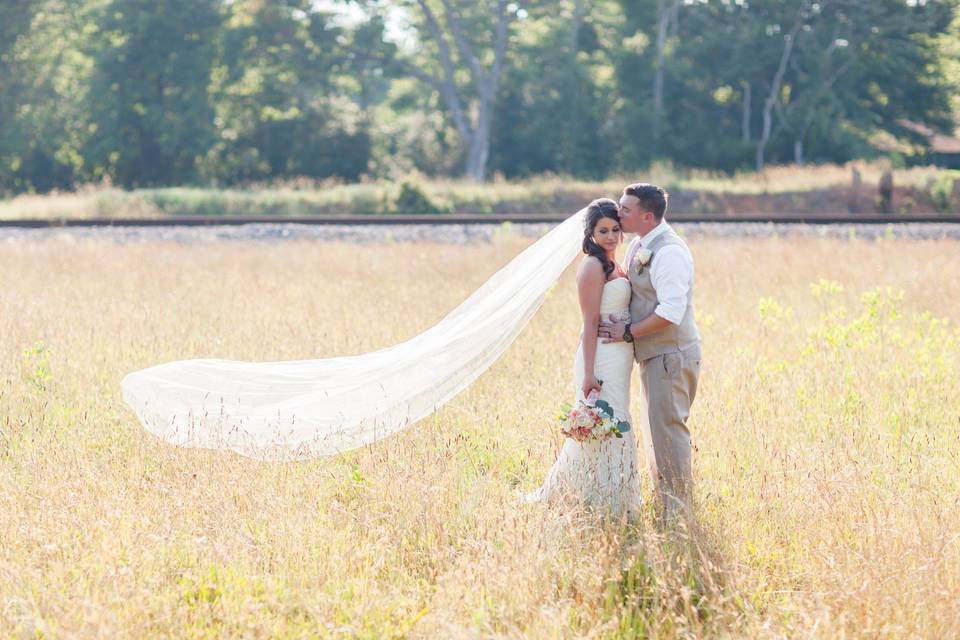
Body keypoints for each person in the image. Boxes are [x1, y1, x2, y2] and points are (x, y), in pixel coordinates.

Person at [524, 198, 642, 516]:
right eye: (603, 230)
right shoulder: (591, 266)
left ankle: (613, 496)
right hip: (600, 357)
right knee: (606, 421)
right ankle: (598, 498)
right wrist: (589, 373)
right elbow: (589, 323)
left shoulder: (616, 264)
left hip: (620, 357)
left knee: (617, 420)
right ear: (590, 233)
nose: (611, 236)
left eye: (615, 229)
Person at [598, 183, 701, 523]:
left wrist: (627, 331)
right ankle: (665, 508)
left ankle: (678, 515)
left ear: (646, 215)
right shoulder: (641, 245)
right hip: (655, 356)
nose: (618, 213)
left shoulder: (669, 252)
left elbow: (672, 311)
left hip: (671, 355)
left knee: (669, 433)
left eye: (625, 210)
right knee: (657, 435)